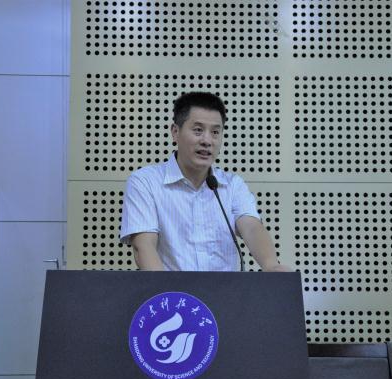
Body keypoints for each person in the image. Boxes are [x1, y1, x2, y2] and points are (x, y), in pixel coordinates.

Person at [119, 92, 290, 272]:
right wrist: (167, 289)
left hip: (227, 289)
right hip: (171, 289)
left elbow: (252, 228)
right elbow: (143, 246)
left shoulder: (233, 185)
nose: (207, 141)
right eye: (198, 130)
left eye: (215, 132)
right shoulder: (145, 182)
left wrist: (271, 266)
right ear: (175, 132)